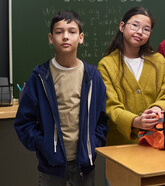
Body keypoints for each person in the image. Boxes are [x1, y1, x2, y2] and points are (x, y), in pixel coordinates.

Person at [14, 10, 108, 186]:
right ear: (51, 38)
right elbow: (23, 122)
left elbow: (102, 119)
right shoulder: (40, 77)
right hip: (51, 167)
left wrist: (94, 144)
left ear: (81, 37)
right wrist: (44, 145)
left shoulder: (92, 76)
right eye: (59, 32)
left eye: (72, 31)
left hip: (84, 165)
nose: (65, 36)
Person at [97, 6, 165, 146]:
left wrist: (157, 107)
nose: (139, 32)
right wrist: (135, 121)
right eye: (135, 25)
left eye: (146, 29)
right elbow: (110, 106)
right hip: (120, 144)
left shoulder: (158, 61)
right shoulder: (106, 65)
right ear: (122, 26)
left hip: (156, 140)